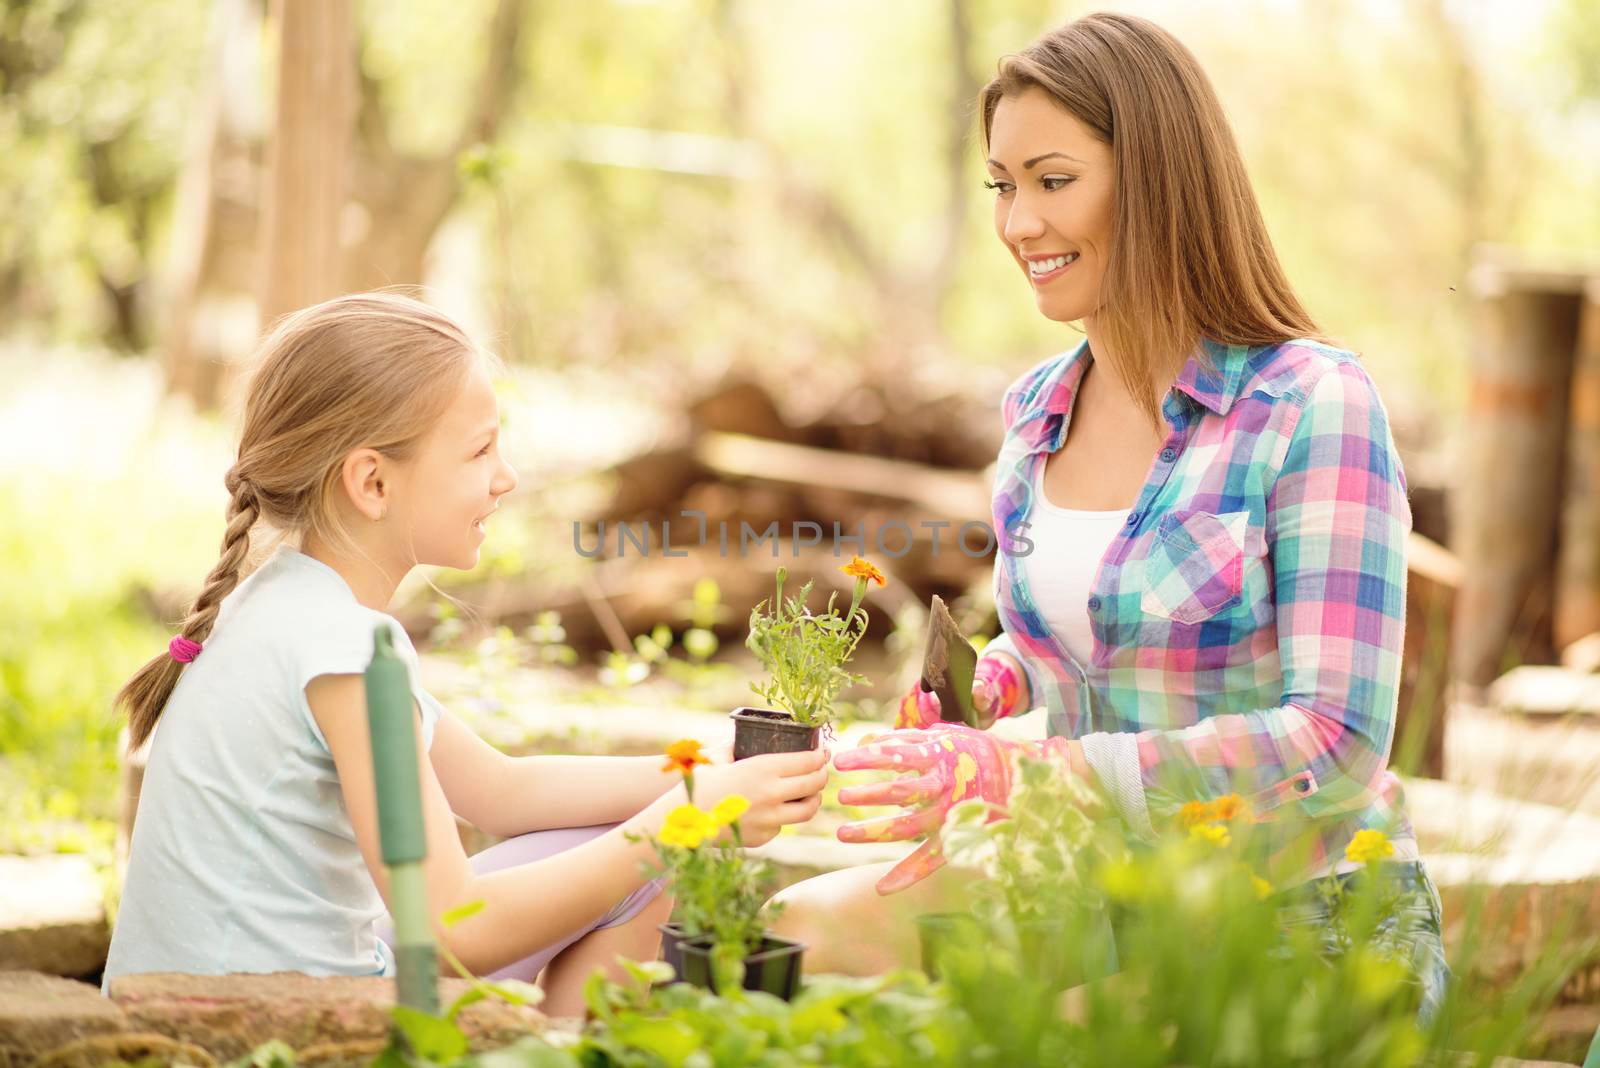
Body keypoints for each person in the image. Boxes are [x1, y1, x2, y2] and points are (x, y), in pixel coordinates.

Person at [768, 12, 1448, 1024]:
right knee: (795, 932)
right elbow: (1085, 649)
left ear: (1161, 177)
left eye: (1052, 180)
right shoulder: (1036, 410)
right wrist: (987, 692)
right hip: (1095, 884)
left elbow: (1335, 742)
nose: (1017, 225)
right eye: (1001, 185)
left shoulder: (1311, 404)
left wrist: (1031, 772)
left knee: (1055, 1030)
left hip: (1300, 913)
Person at [104, 292, 829, 1015]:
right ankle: (560, 1052)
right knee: (662, 855)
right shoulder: (345, 647)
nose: (505, 476)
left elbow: (503, 791)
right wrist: (689, 819)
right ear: (372, 482)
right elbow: (453, 929)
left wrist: (710, 768)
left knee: (636, 849)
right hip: (271, 1036)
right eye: (480, 449)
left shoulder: (281, 604)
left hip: (225, 1007)